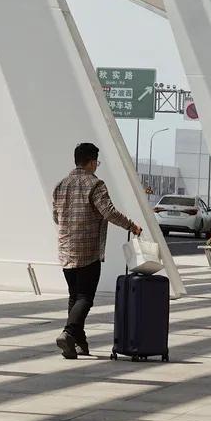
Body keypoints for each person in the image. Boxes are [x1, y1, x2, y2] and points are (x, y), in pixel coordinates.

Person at [51, 141, 142, 360]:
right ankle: (69, 332)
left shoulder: (61, 185)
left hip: (66, 250)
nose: (97, 166)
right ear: (91, 162)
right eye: (97, 162)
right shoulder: (95, 184)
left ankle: (78, 344)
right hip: (88, 249)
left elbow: (56, 216)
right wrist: (132, 225)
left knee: (74, 296)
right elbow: (108, 212)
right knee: (85, 297)